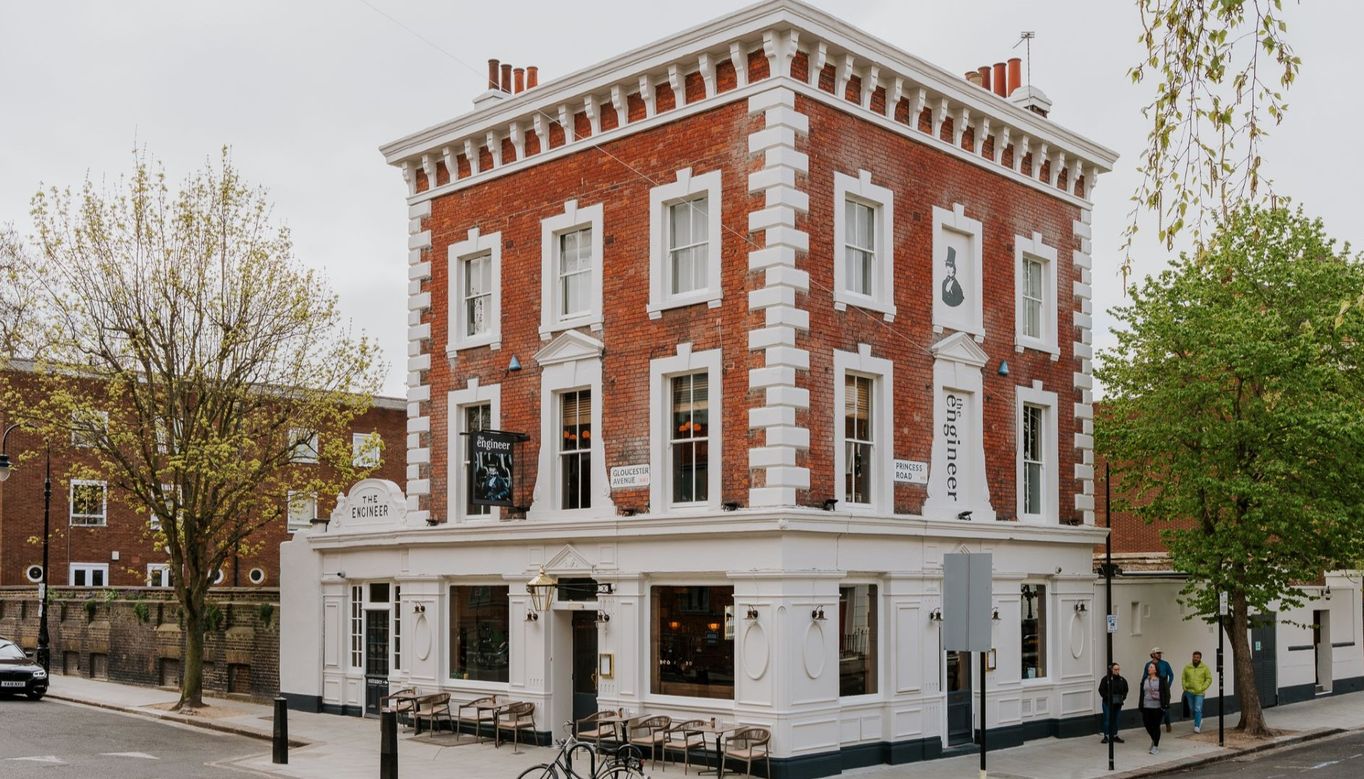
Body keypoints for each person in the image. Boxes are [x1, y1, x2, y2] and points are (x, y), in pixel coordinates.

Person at [1138, 660, 1170, 754]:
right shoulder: (1145, 680)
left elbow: (1167, 693)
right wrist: (1140, 705)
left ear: (1156, 670)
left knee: (1156, 726)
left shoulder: (1162, 680)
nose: (1149, 668)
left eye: (1151, 667)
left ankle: (1155, 746)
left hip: (1157, 707)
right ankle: (1154, 738)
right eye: (1149, 667)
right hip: (1146, 706)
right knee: (1147, 724)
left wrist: (1165, 705)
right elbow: (1142, 693)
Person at [1182, 650, 1213, 734]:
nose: (1196, 658)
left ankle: (1197, 726)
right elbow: (1183, 677)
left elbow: (1209, 679)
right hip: (1189, 691)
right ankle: (1199, 719)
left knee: (1197, 708)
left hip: (1199, 692)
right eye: (1194, 657)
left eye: (1198, 657)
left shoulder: (1204, 667)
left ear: (1200, 658)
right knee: (1192, 708)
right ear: (1192, 657)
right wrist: (1184, 686)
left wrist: (1202, 687)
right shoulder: (1187, 667)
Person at [1098, 662, 1128, 744]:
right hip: (1107, 703)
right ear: (1111, 670)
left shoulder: (1122, 680)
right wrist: (1107, 697)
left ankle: (1115, 735)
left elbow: (1126, 689)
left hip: (1118, 703)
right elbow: (1101, 690)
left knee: (1116, 720)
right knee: (1107, 719)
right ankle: (1106, 736)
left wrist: (1123, 697)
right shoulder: (1105, 679)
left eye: (1118, 669)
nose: (1117, 671)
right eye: (1115, 669)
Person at [1147, 647, 1175, 731]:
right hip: (1154, 688)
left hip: (1164, 688)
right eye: (1157, 653)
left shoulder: (1165, 664)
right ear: (1153, 654)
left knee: (1165, 707)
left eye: (1160, 653)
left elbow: (1171, 675)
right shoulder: (1148, 665)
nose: (1159, 655)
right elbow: (1145, 676)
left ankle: (1167, 723)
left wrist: (1168, 685)